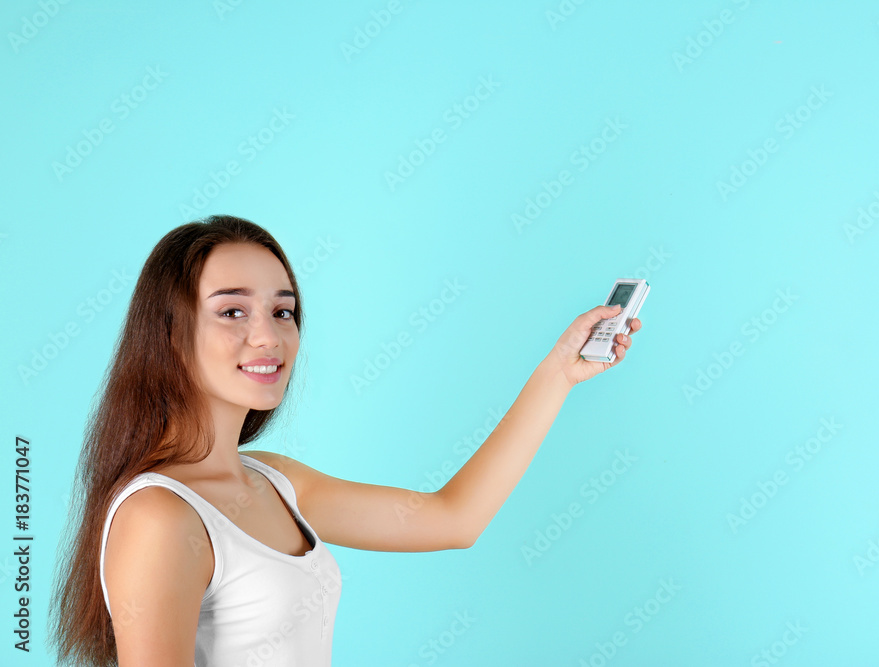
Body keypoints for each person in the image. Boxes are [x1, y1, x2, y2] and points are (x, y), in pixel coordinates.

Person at [48, 215, 642, 666]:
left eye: (284, 313)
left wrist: (559, 372)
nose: (268, 336)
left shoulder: (276, 481)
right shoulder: (159, 515)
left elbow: (452, 519)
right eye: (232, 312)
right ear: (171, 333)